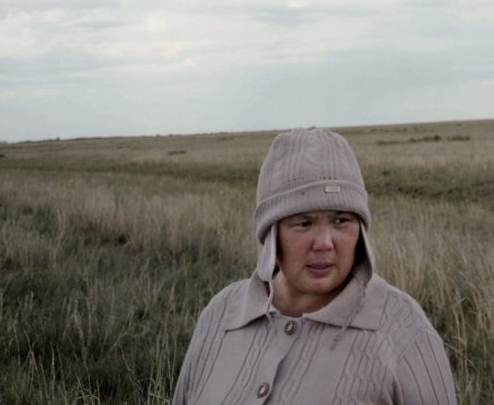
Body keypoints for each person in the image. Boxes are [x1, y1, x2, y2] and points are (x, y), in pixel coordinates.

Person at [172, 127, 458, 405]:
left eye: (341, 221)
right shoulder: (222, 313)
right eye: (304, 223)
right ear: (272, 232)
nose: (324, 243)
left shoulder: (403, 328)